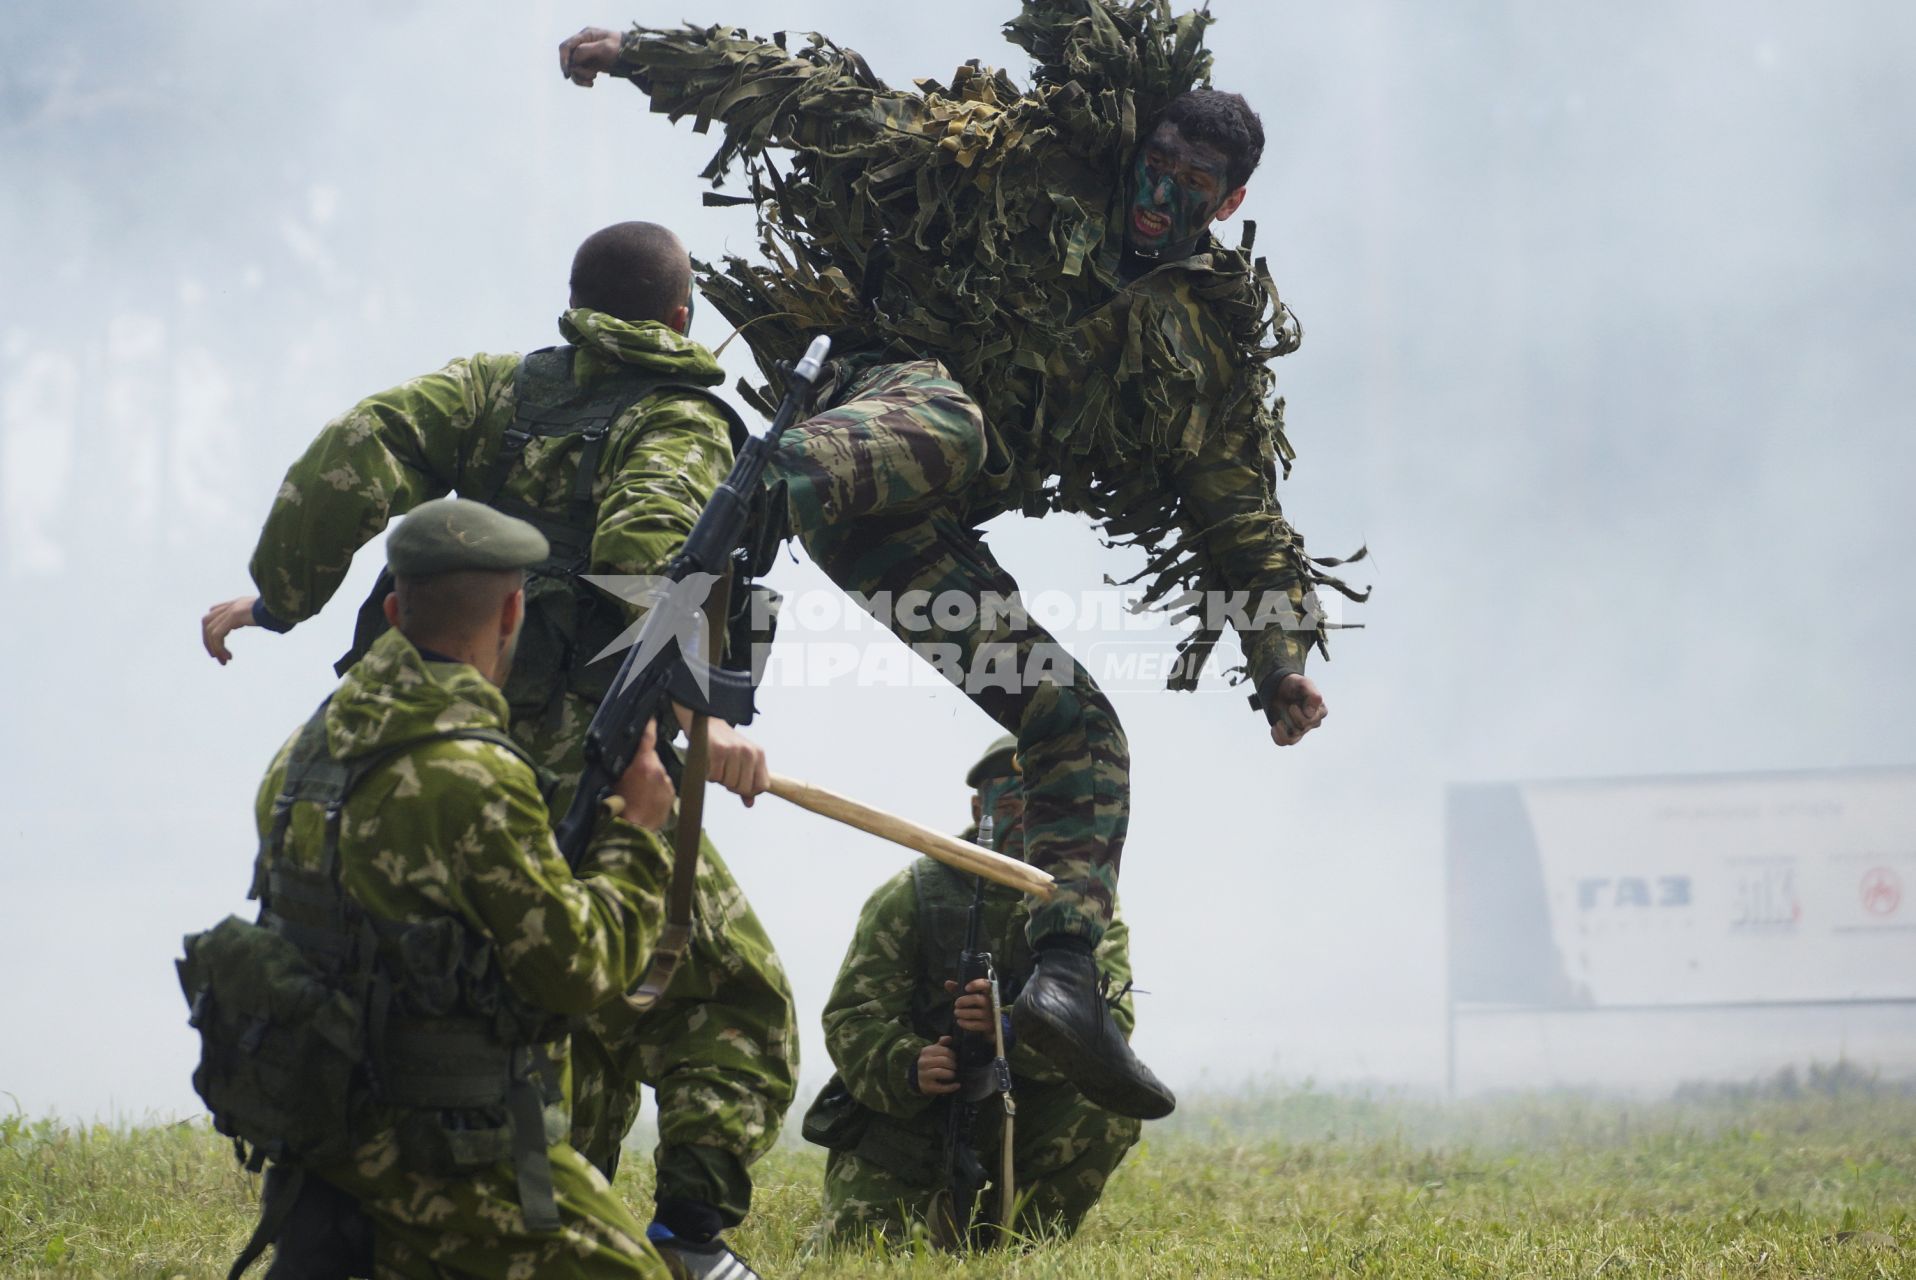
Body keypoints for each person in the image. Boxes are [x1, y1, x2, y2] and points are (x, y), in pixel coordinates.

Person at [556, 0, 1365, 1121]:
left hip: (900, 531)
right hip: (869, 415)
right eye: (1158, 156)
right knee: (955, 417)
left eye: (1195, 174)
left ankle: (1067, 978)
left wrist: (1276, 663)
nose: (1164, 183)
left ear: (1228, 202)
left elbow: (1238, 509)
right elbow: (824, 104)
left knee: (1075, 723)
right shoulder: (1020, 175)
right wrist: (643, 55)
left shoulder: (1199, 346)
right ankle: (726, 540)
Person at [201, 223, 796, 1279]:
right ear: (678, 318)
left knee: (534, 982)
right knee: (725, 991)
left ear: (574, 302)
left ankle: (542, 1191)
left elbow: (353, 448)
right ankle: (689, 1239)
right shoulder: (679, 421)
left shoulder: (493, 390)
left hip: (434, 720)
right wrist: (687, 722)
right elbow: (648, 564)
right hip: (580, 750)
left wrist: (279, 599)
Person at [189, 498, 679, 1277]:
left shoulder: (304, 751)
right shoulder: (474, 775)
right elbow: (580, 971)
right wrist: (638, 833)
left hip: (321, 1136)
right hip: (443, 1149)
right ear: (514, 609)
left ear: (391, 610)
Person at [802, 736, 1141, 1248]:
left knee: (1109, 1107)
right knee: (859, 1250)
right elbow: (852, 1017)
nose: (1025, 821)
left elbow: (1110, 1031)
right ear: (978, 810)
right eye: (1009, 807)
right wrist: (910, 1064)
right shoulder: (913, 895)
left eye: (1041, 807)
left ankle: (1020, 1244)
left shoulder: (1084, 911)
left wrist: (1008, 1027)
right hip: (913, 1118)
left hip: (1025, 1110)